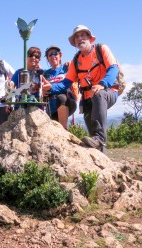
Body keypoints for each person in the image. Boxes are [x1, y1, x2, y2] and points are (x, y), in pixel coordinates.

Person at [45, 25, 119, 153]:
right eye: (77, 37)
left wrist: (102, 84)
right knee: (93, 136)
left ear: (90, 38)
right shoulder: (76, 61)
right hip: (88, 100)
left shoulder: (101, 49)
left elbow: (113, 68)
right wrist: (51, 88)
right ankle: (102, 164)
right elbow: (66, 83)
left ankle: (100, 139)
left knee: (99, 95)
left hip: (108, 92)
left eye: (83, 35)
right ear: (74, 43)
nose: (80, 39)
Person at [42, 45, 78, 129]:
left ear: (60, 55)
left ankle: (64, 130)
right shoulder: (46, 73)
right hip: (51, 107)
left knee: (61, 97)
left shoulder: (66, 68)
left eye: (55, 53)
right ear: (47, 58)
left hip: (67, 102)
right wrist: (43, 92)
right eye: (50, 55)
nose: (53, 56)